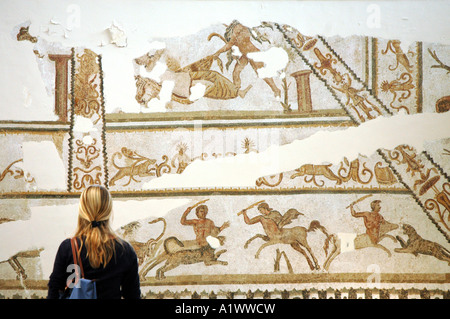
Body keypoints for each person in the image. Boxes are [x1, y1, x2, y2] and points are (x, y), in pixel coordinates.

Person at [47, 185, 141, 299]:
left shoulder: (68, 247)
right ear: (108, 210)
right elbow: (133, 295)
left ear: (82, 210)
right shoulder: (125, 250)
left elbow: (54, 290)